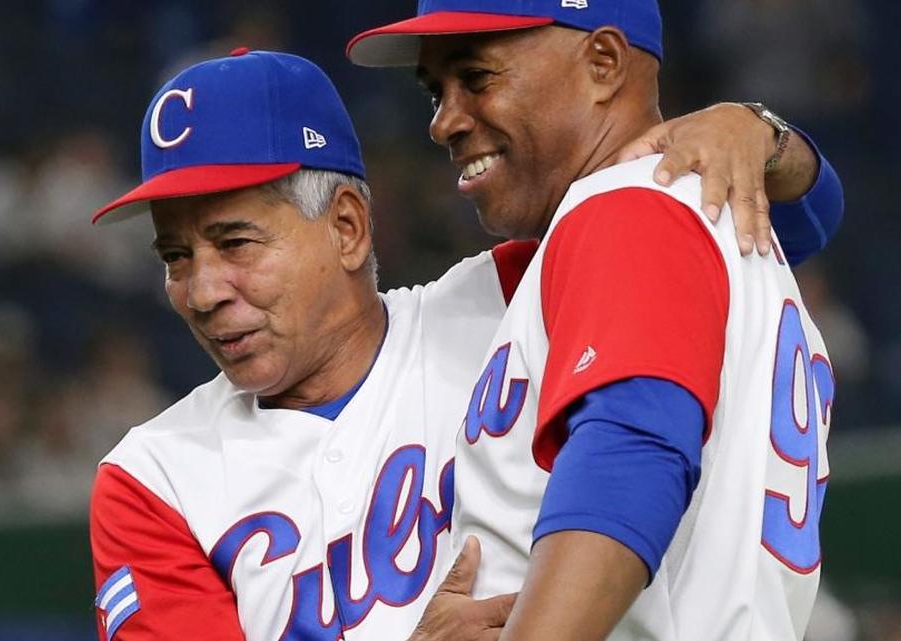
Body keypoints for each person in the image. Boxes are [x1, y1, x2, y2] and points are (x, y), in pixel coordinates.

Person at [88, 48, 840, 641]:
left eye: (234, 242)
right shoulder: (153, 478)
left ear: (347, 226)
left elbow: (753, 225)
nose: (202, 288)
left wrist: (759, 134)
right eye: (175, 257)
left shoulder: (512, 296)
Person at [347, 2, 836, 640]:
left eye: (477, 77)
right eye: (436, 92)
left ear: (603, 64)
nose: (444, 122)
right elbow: (820, 206)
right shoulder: (709, 219)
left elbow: (633, 458)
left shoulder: (627, 211)